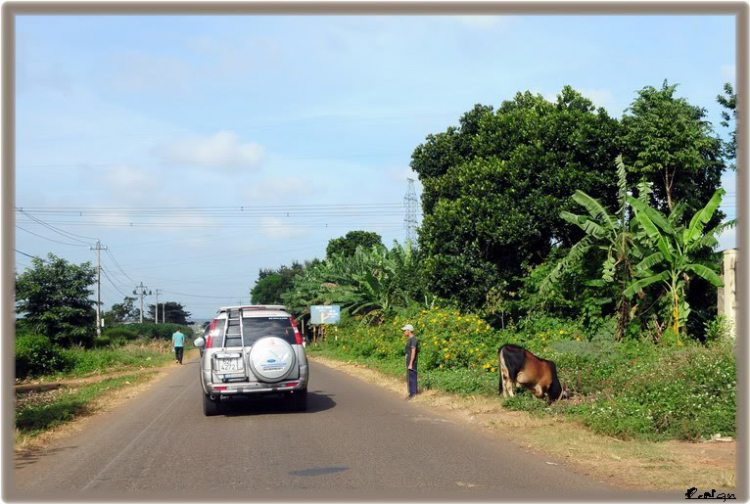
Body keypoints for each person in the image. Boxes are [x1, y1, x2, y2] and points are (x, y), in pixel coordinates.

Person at [403, 324, 419, 399]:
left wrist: (411, 363)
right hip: (409, 360)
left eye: (405, 330)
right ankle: (411, 393)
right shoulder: (409, 339)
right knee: (409, 377)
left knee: (412, 377)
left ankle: (414, 394)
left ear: (409, 330)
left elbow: (413, 352)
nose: (404, 332)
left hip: (412, 361)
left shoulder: (413, 340)